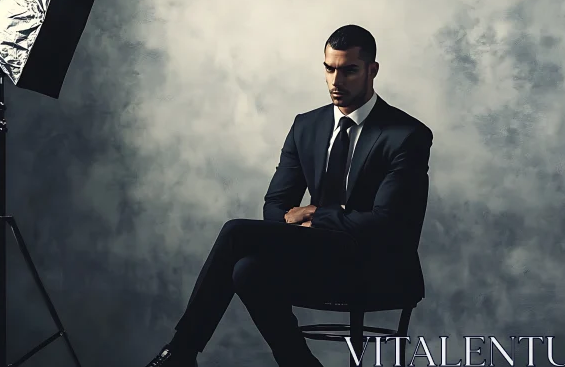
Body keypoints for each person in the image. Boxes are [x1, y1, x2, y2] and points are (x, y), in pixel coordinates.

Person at [143, 24, 434, 367]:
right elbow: (276, 207)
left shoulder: (406, 135)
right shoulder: (306, 126)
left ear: (372, 70)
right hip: (318, 258)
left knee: (236, 232)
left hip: (375, 266)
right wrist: (320, 220)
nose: (336, 82)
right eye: (329, 69)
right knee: (247, 269)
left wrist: (317, 215)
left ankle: (180, 353)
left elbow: (386, 225)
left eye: (349, 71)